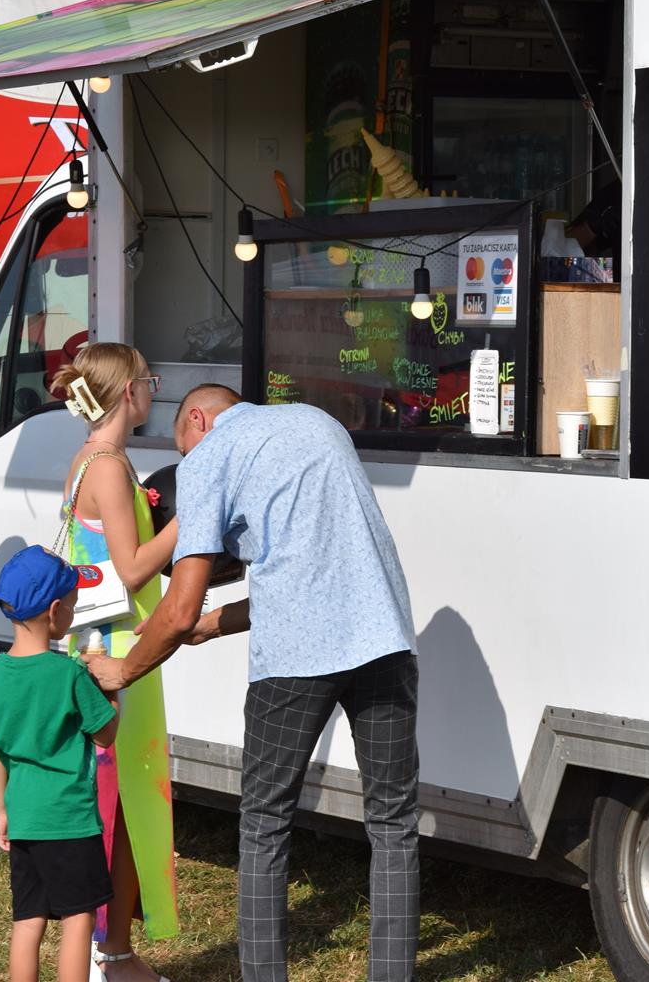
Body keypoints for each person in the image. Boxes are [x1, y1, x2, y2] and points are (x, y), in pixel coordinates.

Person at [84, 384, 419, 982]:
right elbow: (309, 567)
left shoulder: (212, 455)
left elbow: (179, 606)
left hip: (295, 660)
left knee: (265, 825)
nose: (187, 463)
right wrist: (218, 623)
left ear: (196, 421)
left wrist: (124, 668)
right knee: (393, 824)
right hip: (385, 640)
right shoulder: (316, 420)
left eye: (183, 450)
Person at [50, 343, 179, 982]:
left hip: (94, 642)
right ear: (129, 391)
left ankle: (107, 948)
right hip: (121, 649)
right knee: (122, 806)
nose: (155, 389)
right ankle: (112, 955)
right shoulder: (110, 464)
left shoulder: (87, 459)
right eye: (149, 377)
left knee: (111, 803)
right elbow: (132, 569)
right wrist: (190, 518)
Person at [0, 545, 121, 982]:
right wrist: (109, 692)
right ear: (56, 611)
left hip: (23, 817)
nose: (74, 613)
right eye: (74, 604)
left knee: (28, 918)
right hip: (69, 821)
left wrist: (3, 809)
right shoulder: (70, 675)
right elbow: (105, 733)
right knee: (77, 919)